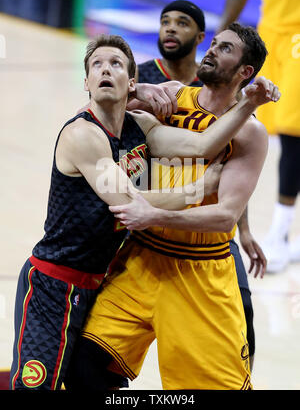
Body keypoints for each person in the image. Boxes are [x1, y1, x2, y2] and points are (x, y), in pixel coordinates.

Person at [10, 33, 266, 391]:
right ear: (84, 81)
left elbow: (205, 144)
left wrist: (249, 104)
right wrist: (200, 189)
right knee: (48, 383)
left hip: (114, 278)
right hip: (60, 280)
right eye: (97, 65)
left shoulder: (141, 126)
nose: (105, 70)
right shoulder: (86, 133)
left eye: (115, 64)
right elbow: (130, 204)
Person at [137, 0, 265, 370]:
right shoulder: (148, 80)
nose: (171, 29)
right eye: (165, 22)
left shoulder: (218, 87)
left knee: (241, 312)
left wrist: (244, 228)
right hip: (148, 215)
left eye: (181, 23)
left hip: (204, 231)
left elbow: (233, 174)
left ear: (199, 36)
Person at [217, 0, 300, 273]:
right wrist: (225, 26)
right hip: (271, 31)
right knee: (253, 125)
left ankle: (279, 232)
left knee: (293, 132)